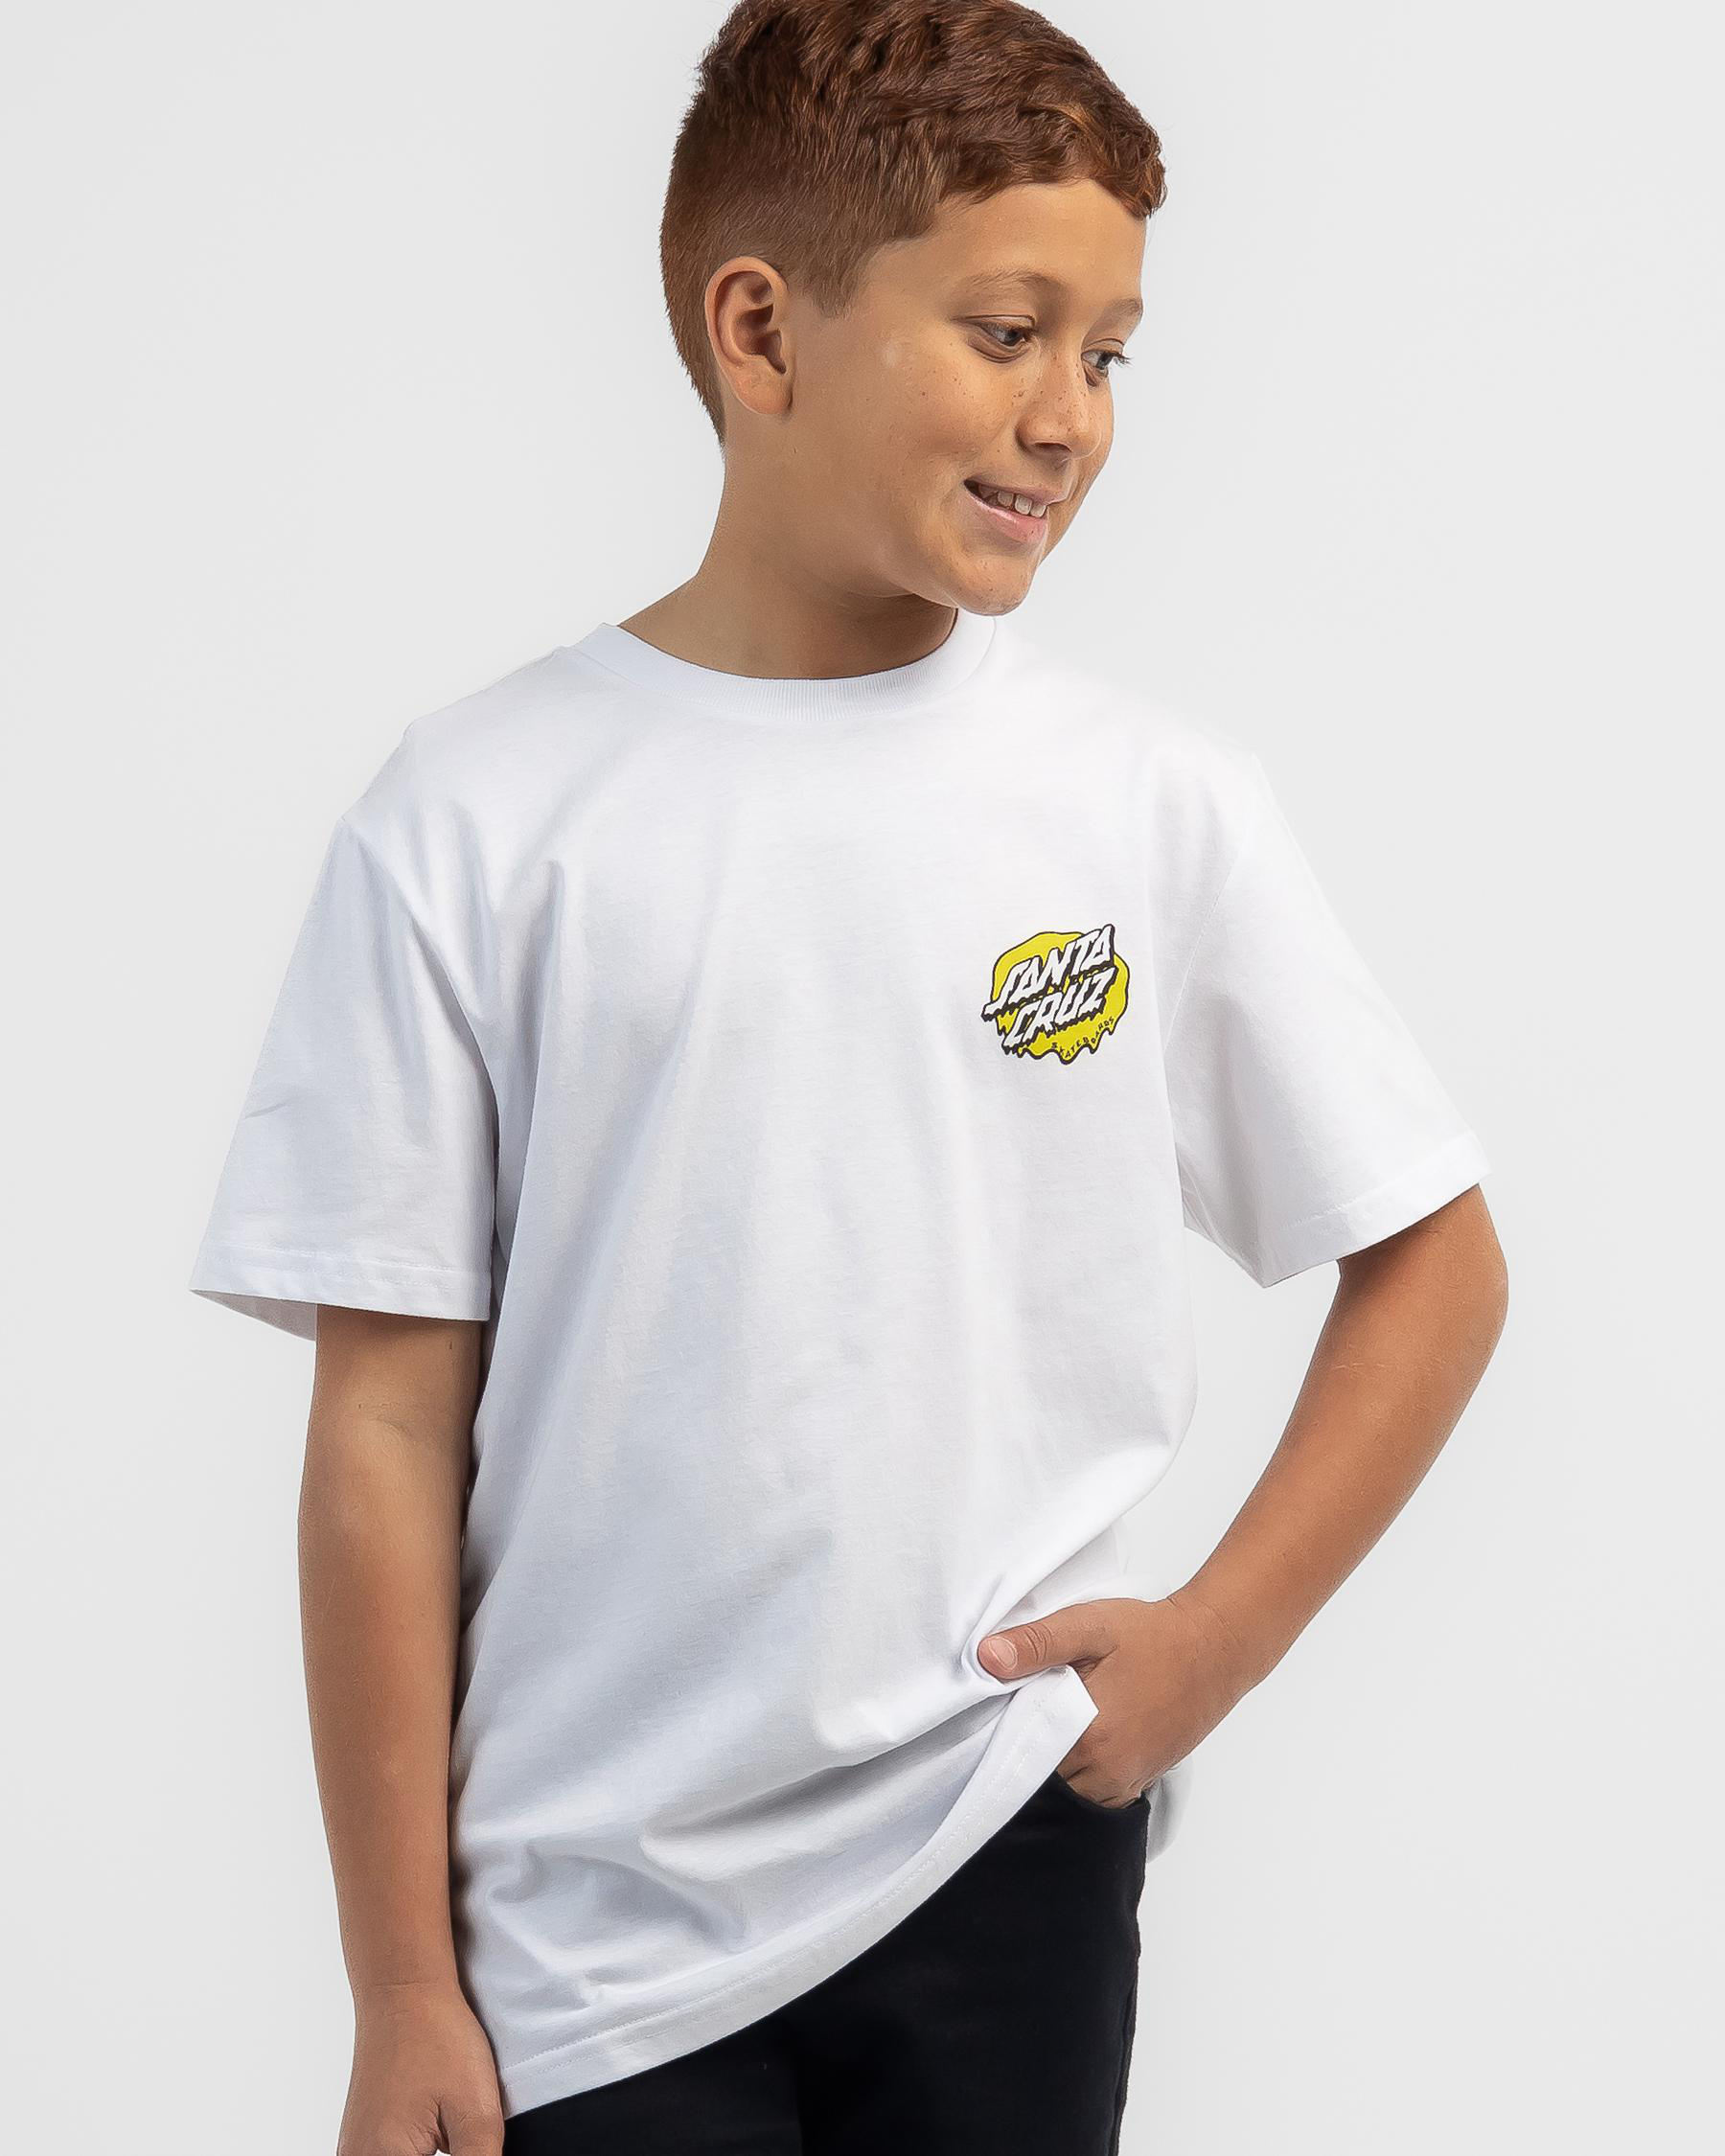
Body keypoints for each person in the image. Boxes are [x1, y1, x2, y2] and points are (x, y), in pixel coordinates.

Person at [186, 2, 1509, 2150]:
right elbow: (388, 1425)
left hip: (1000, 1842)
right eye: (1008, 330)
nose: (1069, 415)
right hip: (584, 1942)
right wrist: (401, 1981)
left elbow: (1437, 1258)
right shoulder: (481, 816)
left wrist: (1211, 1645)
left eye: (1111, 352)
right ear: (760, 331)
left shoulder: (1146, 806)